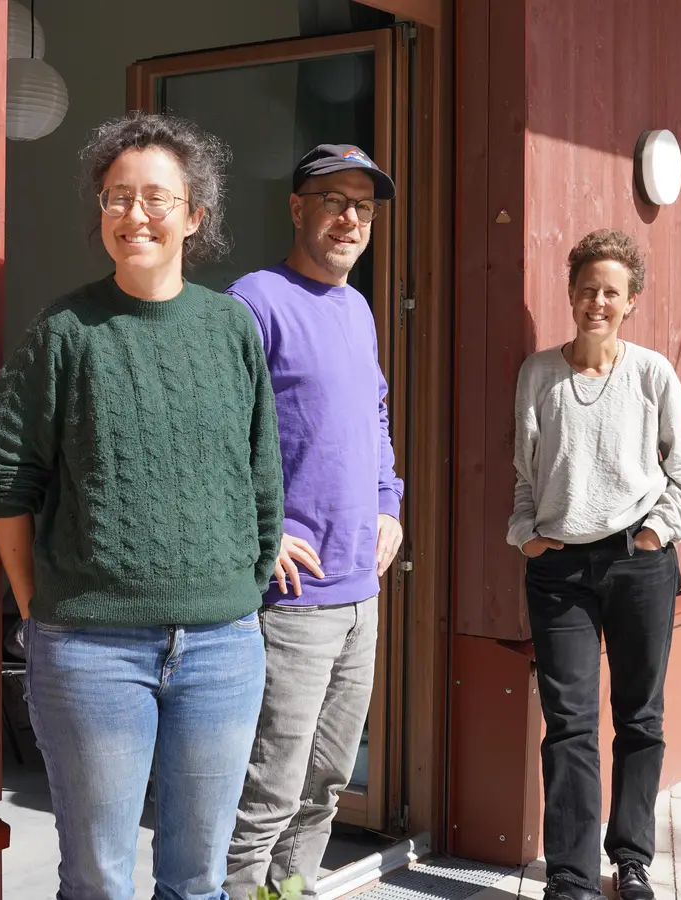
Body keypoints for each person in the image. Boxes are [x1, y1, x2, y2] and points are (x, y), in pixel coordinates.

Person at [0, 111, 284, 900]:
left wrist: (247, 585)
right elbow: (3, 472)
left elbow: (260, 470)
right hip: (91, 651)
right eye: (116, 197)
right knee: (100, 878)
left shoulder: (231, 326)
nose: (134, 214)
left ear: (195, 215)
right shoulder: (67, 331)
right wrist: (38, 607)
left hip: (222, 648)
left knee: (198, 878)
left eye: (155, 198)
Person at [225, 144, 404, 900]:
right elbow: (216, 439)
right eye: (334, 200)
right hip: (292, 602)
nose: (351, 219)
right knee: (269, 785)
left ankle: (289, 891)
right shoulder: (254, 300)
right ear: (297, 208)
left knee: (328, 779)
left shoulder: (357, 309)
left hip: (360, 592)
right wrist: (259, 539)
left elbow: (375, 416)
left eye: (363, 206)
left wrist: (389, 503)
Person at [507, 229, 681, 900]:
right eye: (586, 289)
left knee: (640, 718)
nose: (597, 301)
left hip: (637, 566)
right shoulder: (538, 374)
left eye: (611, 292)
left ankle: (632, 860)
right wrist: (525, 535)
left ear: (632, 301)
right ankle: (569, 874)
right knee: (569, 722)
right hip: (558, 570)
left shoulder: (652, 374)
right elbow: (525, 477)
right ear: (570, 294)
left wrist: (656, 534)